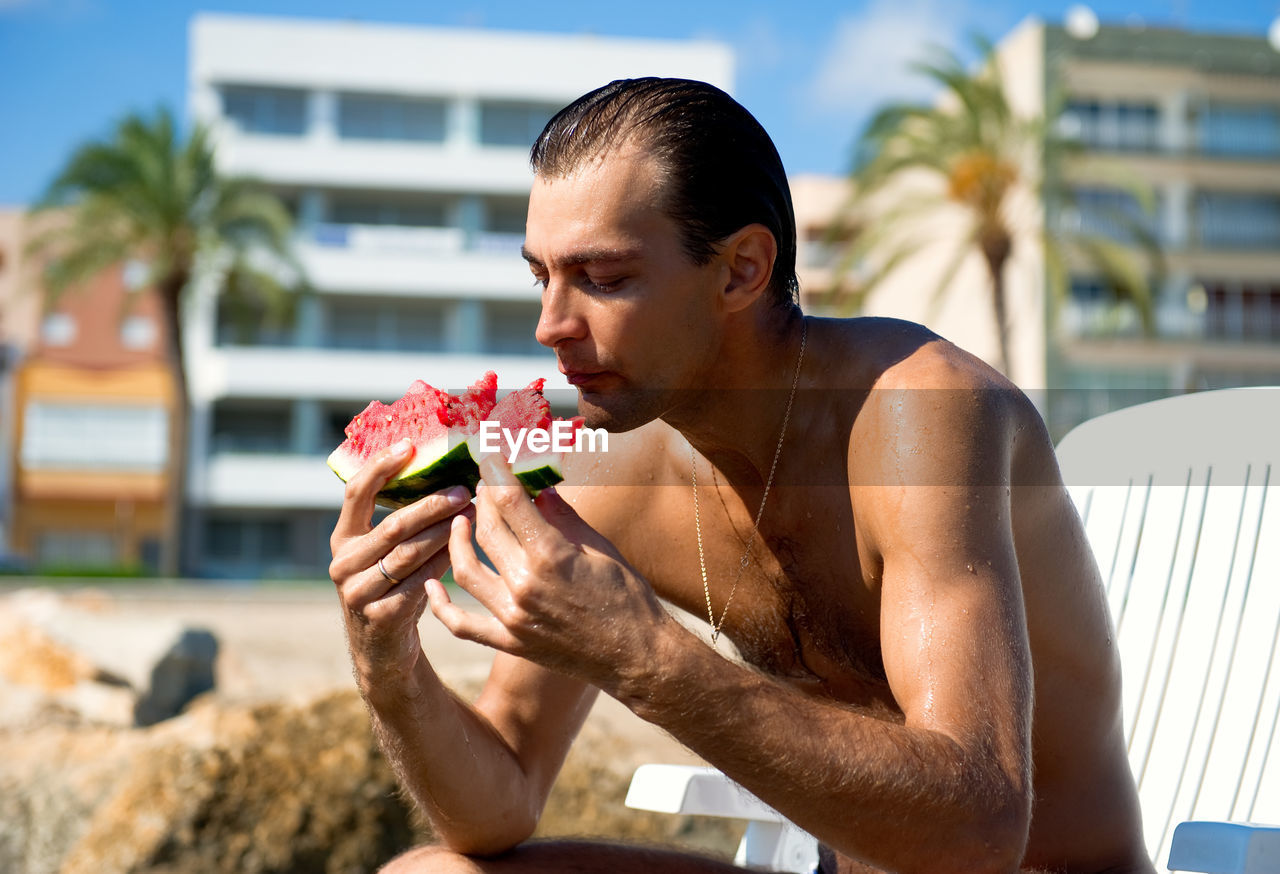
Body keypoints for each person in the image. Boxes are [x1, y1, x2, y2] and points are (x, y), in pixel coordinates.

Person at [328, 78, 1155, 874]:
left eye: (604, 280)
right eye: (541, 277)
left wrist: (643, 655)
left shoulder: (917, 415)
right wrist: (388, 665)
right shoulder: (617, 477)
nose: (551, 326)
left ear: (741, 270)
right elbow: (500, 800)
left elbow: (980, 833)